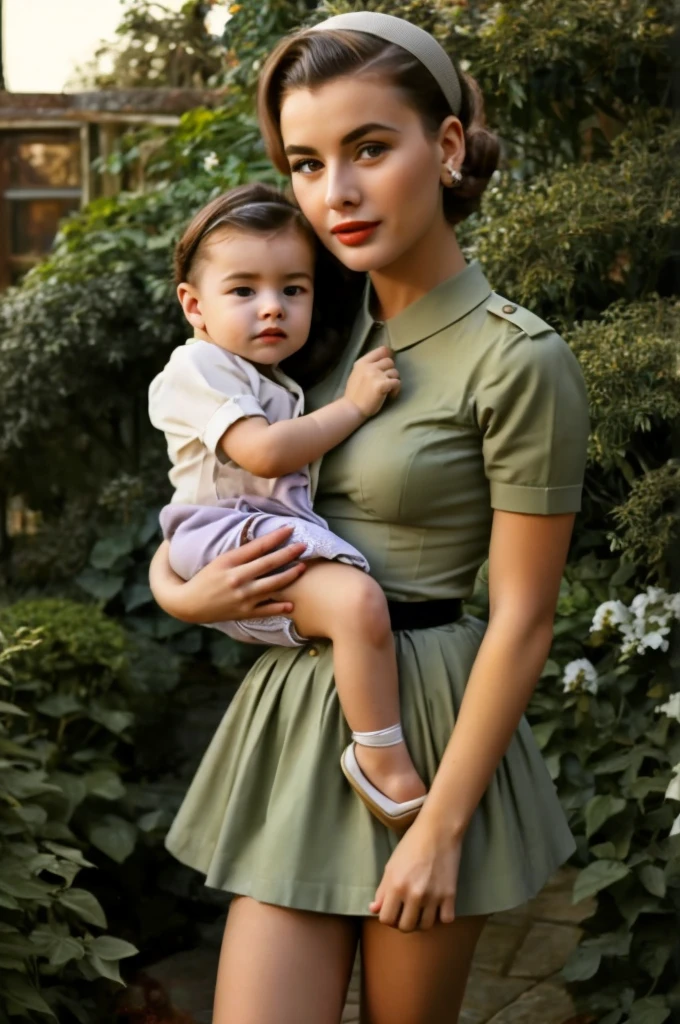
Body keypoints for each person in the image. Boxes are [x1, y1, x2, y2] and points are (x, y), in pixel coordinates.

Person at [148, 11, 591, 1024]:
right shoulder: (302, 331)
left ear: (441, 148)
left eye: (368, 149)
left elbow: (523, 618)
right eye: (305, 162)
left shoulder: (516, 359)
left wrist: (441, 825)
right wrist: (181, 592)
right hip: (296, 720)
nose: (333, 194)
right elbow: (204, 501)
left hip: (426, 739)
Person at [149, 182, 427, 828]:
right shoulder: (198, 368)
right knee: (358, 602)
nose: (271, 308)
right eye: (244, 291)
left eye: (292, 290)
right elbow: (266, 454)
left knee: (353, 604)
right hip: (223, 535)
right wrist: (355, 405)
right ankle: (377, 754)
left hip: (245, 535)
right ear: (194, 305)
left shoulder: (271, 377)